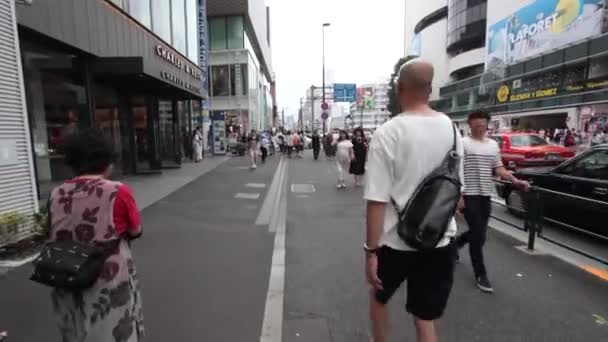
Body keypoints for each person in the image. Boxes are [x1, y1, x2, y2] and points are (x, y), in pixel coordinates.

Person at [364, 59, 463, 342]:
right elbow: (457, 193)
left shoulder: (388, 133)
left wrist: (371, 253)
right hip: (439, 240)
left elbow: (376, 201)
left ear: (400, 88)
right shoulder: (453, 131)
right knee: (425, 317)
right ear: (430, 90)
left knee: (379, 299)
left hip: (395, 243)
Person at [47, 129, 144, 342]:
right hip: (106, 273)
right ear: (106, 161)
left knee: (76, 328)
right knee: (112, 326)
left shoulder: (56, 193)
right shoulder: (118, 190)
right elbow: (136, 230)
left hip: (64, 272)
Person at [456, 111, 529, 293]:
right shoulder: (462, 144)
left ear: (487, 124)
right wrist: (459, 196)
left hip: (485, 194)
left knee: (477, 232)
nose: (480, 125)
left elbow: (498, 169)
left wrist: (515, 180)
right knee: (479, 236)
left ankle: (454, 245)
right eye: (476, 122)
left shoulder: (493, 145)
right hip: (468, 194)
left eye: (483, 122)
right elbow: (456, 170)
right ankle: (481, 274)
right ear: (470, 124)